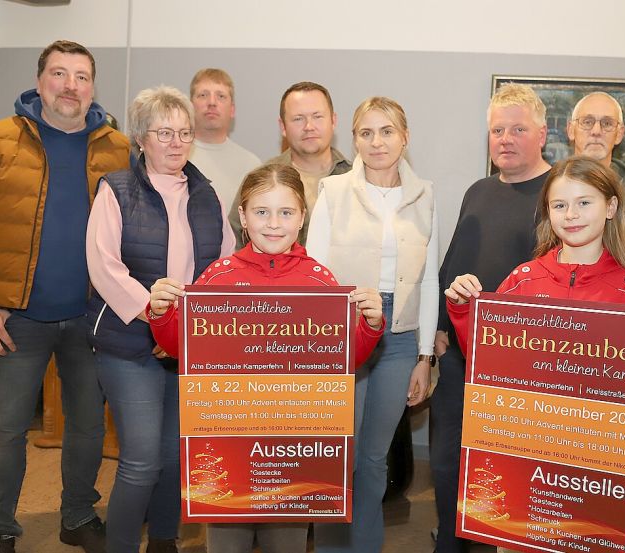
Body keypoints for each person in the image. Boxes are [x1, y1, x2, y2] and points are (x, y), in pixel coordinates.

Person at [0, 39, 131, 553]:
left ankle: (77, 517)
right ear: (39, 81)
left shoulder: (119, 148)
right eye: (59, 74)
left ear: (93, 86)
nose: (70, 86)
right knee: (5, 429)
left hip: (92, 317)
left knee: (89, 427)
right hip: (15, 318)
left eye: (81, 76)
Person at [148, 164, 385, 553]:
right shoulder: (217, 278)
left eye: (286, 212)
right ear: (242, 217)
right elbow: (183, 349)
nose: (273, 224)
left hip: (292, 449)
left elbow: (344, 361)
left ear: (302, 217)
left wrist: (370, 326)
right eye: (261, 212)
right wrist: (162, 314)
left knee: (287, 542)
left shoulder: (321, 281)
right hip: (228, 445)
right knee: (225, 544)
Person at [86, 85, 234, 553]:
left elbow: (225, 267)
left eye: (185, 133)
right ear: (140, 139)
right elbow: (104, 265)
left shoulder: (207, 193)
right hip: (130, 345)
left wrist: (187, 330)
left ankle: (165, 541)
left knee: (174, 458)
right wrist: (158, 319)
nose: (176, 143)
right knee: (142, 460)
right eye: (164, 133)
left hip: (187, 349)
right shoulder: (116, 189)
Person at [305, 97, 438, 552]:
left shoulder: (425, 195)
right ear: (354, 138)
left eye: (386, 131)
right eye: (366, 132)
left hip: (400, 338)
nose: (376, 142)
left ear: (405, 137)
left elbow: (430, 279)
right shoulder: (333, 191)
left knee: (374, 459)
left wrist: (424, 357)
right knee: (339, 455)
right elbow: (316, 272)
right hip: (344, 334)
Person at [445, 156, 625, 396]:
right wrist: (465, 309)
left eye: (584, 203)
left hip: (596, 429)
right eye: (560, 205)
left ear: (610, 207)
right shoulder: (522, 280)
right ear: (548, 212)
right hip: (527, 425)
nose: (571, 214)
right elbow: (489, 364)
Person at [431, 83, 551, 553]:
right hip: (462, 354)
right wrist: (440, 328)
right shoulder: (478, 191)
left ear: (542, 133)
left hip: (521, 365)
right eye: (497, 130)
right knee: (446, 463)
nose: (505, 138)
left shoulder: (558, 195)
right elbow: (454, 260)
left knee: (501, 472)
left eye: (518, 129)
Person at [227, 82, 351, 245]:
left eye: (317, 116)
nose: (309, 126)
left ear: (333, 121)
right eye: (298, 119)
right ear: (283, 126)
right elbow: (234, 241)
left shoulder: (355, 177)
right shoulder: (260, 180)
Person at [188, 68, 261, 217]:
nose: (212, 102)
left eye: (221, 96)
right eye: (203, 95)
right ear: (189, 106)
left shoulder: (252, 166)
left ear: (232, 110)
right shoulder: (174, 156)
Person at [567, 92, 625, 209]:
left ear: (619, 134)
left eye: (607, 123)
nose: (596, 131)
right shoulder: (549, 187)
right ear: (571, 130)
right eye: (587, 122)